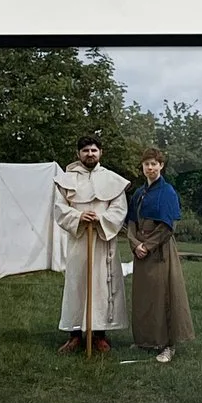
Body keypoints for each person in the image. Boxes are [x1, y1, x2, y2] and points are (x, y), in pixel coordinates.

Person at [53, 134, 127, 355]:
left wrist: (101, 219)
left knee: (103, 287)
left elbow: (119, 208)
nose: (90, 154)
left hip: (104, 241)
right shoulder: (66, 179)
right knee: (77, 285)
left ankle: (99, 335)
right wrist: (78, 217)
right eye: (85, 150)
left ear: (100, 153)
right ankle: (75, 335)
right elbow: (59, 208)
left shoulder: (112, 179)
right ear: (78, 154)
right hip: (79, 241)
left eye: (94, 150)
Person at [127, 148, 195, 363]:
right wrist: (136, 244)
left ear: (161, 166)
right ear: (142, 167)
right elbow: (130, 224)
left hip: (159, 249)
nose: (150, 168)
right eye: (147, 164)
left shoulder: (167, 192)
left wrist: (147, 246)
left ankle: (168, 345)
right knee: (144, 297)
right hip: (141, 250)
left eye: (154, 164)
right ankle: (145, 339)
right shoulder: (139, 193)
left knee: (164, 295)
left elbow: (167, 226)